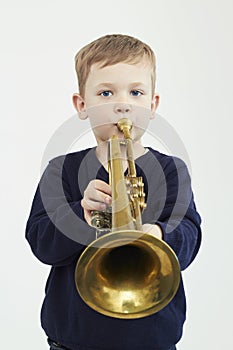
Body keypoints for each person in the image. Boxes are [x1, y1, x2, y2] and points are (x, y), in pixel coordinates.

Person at [26, 34, 202, 350]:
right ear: (82, 105)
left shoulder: (171, 170)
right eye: (106, 92)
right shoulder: (61, 170)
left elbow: (190, 237)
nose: (122, 104)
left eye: (136, 92)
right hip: (73, 339)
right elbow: (40, 242)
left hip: (154, 338)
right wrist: (79, 214)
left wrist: (159, 234)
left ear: (152, 105)